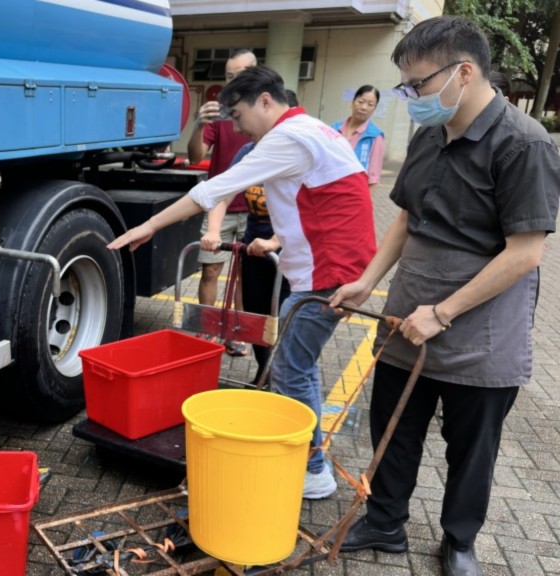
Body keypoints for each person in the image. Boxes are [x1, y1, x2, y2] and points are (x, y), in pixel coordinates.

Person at [329, 16, 560, 576]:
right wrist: (369, 279)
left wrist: (444, 312)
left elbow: (525, 252)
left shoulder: (524, 144)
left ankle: (459, 541)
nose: (411, 97)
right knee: (395, 425)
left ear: (464, 71)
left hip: (480, 329)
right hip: (408, 310)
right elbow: (406, 217)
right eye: (404, 87)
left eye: (418, 85)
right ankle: (385, 521)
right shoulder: (432, 134)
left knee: (471, 447)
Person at [108, 66, 376, 500]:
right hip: (335, 265)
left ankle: (312, 469)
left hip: (327, 274)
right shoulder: (312, 129)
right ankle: (308, 462)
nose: (234, 126)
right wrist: (277, 239)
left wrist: (150, 226)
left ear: (265, 101)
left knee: (291, 369)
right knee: (295, 365)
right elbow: (319, 198)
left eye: (237, 115)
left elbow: (211, 191)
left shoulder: (286, 137)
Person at [188, 48, 256, 356]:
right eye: (230, 76)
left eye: (241, 75)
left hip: (257, 209)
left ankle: (236, 332)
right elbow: (194, 157)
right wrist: (199, 124)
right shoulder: (220, 113)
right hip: (220, 208)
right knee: (211, 271)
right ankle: (208, 329)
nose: (234, 82)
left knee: (244, 274)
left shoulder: (265, 113)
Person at [236, 90, 297, 386]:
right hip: (253, 248)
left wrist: (275, 241)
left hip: (287, 253)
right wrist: (211, 230)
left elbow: (300, 207)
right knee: (255, 317)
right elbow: (222, 191)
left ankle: (282, 376)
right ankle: (264, 371)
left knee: (281, 317)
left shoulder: (296, 153)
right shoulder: (248, 152)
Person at [332, 85, 384, 189]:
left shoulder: (375, 136)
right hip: (330, 189)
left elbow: (373, 177)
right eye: (360, 102)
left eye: (370, 104)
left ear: (374, 109)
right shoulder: (334, 129)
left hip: (354, 193)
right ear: (352, 102)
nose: (364, 107)